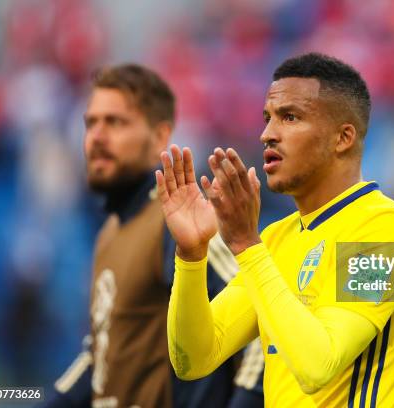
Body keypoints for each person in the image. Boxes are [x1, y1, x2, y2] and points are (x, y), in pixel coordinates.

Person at [158, 53, 394, 407]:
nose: (267, 134)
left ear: (342, 137)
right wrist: (191, 256)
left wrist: (246, 244)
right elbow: (193, 359)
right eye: (268, 118)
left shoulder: (385, 230)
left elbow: (319, 365)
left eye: (290, 117)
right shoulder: (277, 238)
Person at [43, 64, 263, 408]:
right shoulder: (109, 234)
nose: (97, 137)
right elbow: (104, 352)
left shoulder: (177, 223)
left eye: (115, 122)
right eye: (91, 123)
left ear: (160, 136)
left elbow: (259, 318)